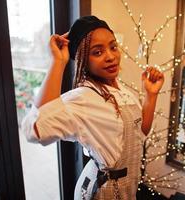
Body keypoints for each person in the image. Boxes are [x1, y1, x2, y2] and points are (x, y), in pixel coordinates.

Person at [21, 15, 164, 200]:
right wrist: (58, 61)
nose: (111, 56)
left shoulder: (123, 91)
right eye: (97, 52)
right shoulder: (84, 98)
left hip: (127, 188)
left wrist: (150, 95)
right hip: (103, 191)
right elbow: (34, 130)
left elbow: (140, 133)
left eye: (113, 47)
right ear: (83, 60)